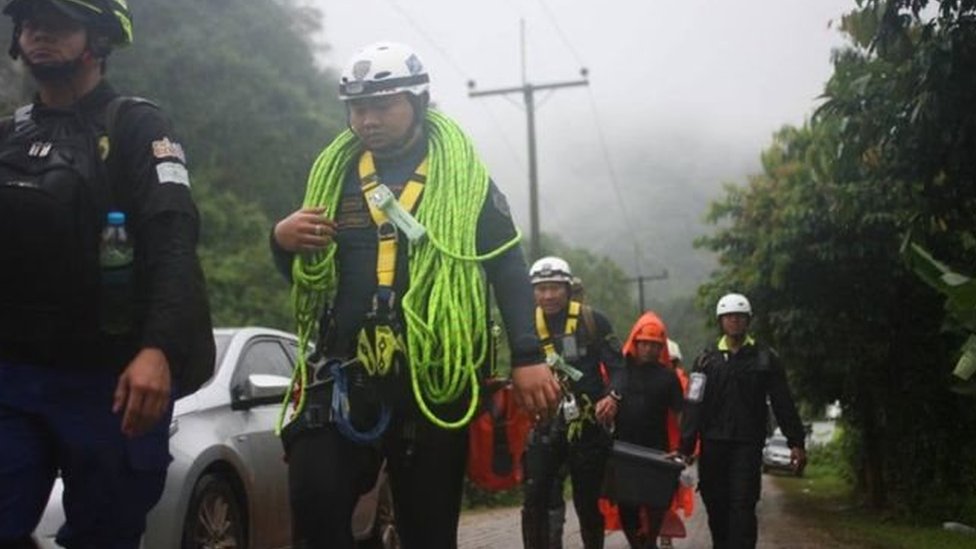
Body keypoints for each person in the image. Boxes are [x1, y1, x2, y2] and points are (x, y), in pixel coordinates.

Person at [270, 41, 560, 548]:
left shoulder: (465, 181)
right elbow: (305, 272)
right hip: (343, 371)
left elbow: (507, 264)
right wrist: (281, 241)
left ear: (419, 102)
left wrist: (528, 355)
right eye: (358, 108)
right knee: (314, 499)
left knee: (428, 529)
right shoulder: (334, 177)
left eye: (383, 105)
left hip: (431, 378)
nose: (368, 120)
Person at [0, 1, 214, 547]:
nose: (38, 34)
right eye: (28, 23)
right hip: (14, 376)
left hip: (110, 383)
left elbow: (173, 244)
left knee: (104, 535)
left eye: (58, 23)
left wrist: (158, 349)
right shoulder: (8, 135)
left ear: (99, 38)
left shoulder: (137, 126)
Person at [679, 293, 807, 549]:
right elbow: (693, 404)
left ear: (748, 321)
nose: (734, 321)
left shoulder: (765, 358)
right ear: (721, 321)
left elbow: (783, 401)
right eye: (729, 317)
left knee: (743, 505)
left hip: (747, 445)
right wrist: (685, 447)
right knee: (716, 506)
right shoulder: (705, 361)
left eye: (739, 317)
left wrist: (796, 441)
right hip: (713, 445)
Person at [521, 256, 624, 549]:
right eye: (541, 289)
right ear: (533, 292)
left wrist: (613, 396)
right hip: (544, 423)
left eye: (555, 288)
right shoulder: (526, 325)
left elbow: (618, 367)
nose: (548, 295)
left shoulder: (593, 320)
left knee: (586, 501)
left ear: (568, 288)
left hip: (588, 425)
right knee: (536, 498)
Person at [612, 313, 683, 549]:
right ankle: (636, 544)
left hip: (658, 452)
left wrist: (684, 448)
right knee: (626, 505)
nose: (649, 349)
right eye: (645, 343)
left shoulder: (668, 378)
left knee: (657, 504)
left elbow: (681, 414)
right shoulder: (619, 370)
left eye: (655, 345)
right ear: (635, 342)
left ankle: (650, 542)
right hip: (623, 450)